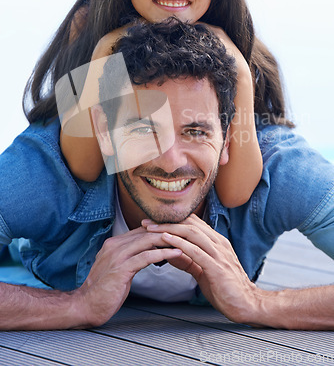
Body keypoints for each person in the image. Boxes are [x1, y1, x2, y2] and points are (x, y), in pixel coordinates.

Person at [0, 20, 334, 331]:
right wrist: (76, 305)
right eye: (144, 128)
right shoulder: (44, 171)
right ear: (104, 131)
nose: (171, 161)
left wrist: (258, 302)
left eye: (195, 132)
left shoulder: (281, 169)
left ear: (229, 138)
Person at [25, 0, 301, 208]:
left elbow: (235, 192)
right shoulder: (89, 25)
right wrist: (107, 49)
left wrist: (238, 68)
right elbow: (83, 167)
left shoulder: (231, 40)